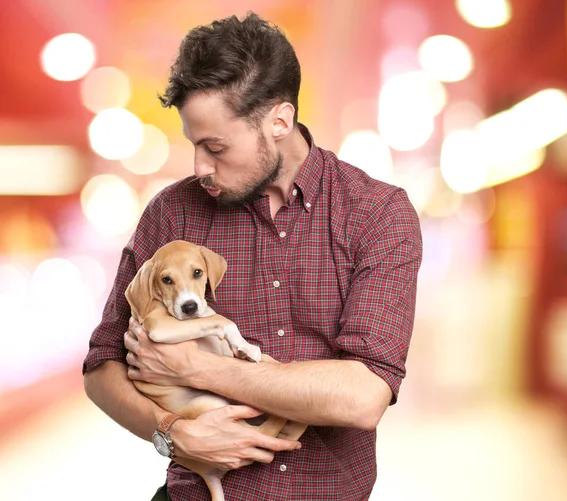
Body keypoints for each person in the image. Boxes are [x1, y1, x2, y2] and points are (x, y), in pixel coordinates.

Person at [83, 11, 422, 501]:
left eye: (216, 147)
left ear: (279, 121)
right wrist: (169, 431)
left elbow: (363, 396)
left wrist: (197, 369)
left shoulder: (377, 214)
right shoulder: (173, 214)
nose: (200, 166)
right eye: (195, 145)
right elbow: (102, 365)